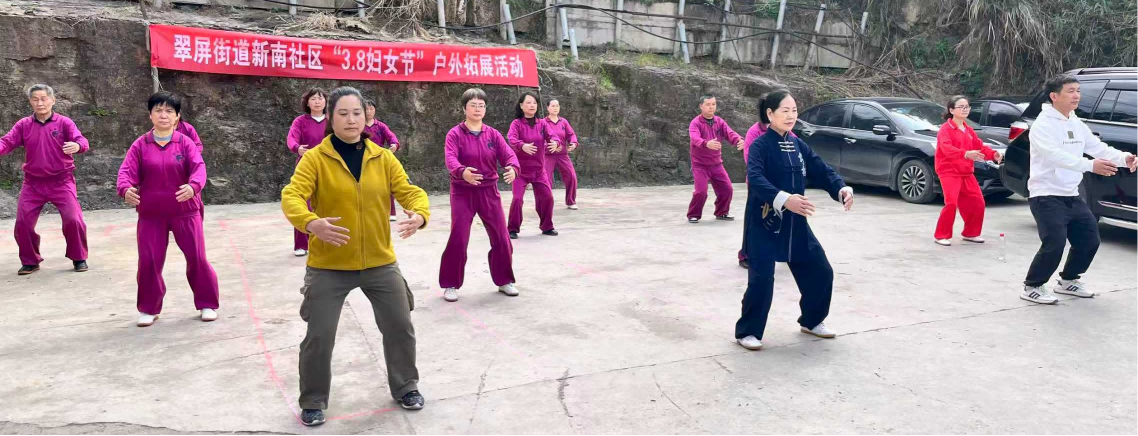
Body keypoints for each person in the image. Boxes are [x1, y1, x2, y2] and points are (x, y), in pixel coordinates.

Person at [281, 86, 431, 426]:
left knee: (400, 325)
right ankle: (314, 400)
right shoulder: (315, 159)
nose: (351, 119)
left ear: (367, 117)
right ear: (331, 119)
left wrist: (420, 214)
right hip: (329, 265)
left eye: (357, 113)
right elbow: (292, 196)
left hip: (379, 262)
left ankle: (406, 386)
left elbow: (410, 191)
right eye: (343, 114)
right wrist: (311, 223)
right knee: (319, 335)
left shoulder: (382, 157)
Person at [735, 91, 854, 351]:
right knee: (762, 281)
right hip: (764, 221)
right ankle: (748, 332)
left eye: (794, 110)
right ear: (770, 114)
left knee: (821, 272)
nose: (791, 116)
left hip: (795, 224)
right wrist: (784, 199)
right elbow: (756, 179)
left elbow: (821, 169)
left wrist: (841, 189)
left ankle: (811, 321)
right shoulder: (759, 146)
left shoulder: (798, 145)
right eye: (785, 110)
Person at [1019, 75, 1138, 305]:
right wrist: (1090, 165)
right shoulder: (1042, 125)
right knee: (1054, 242)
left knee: (1089, 240)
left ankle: (1068, 280)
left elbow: (1097, 147)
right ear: (1055, 96)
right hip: (1046, 195)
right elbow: (1055, 156)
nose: (1076, 95)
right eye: (1071, 91)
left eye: (1078, 91)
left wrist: (1124, 158)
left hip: (1071, 194)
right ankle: (1032, 286)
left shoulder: (1075, 121)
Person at [116, 91, 220, 328]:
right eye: (158, 110)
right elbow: (126, 172)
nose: (163, 115)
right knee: (149, 260)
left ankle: (207, 303)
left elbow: (199, 169)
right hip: (151, 213)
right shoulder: (140, 145)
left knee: (197, 257)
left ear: (177, 117)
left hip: (185, 211)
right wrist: (125, 189)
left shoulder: (186, 143)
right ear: (150, 115)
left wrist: (194, 187)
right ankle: (149, 308)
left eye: (169, 111)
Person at [439, 88, 522, 303]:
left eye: (481, 105)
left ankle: (504, 280)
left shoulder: (493, 134)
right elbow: (450, 159)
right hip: (462, 192)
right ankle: (450, 284)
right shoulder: (454, 134)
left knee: (502, 237)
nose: (477, 109)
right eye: (473, 105)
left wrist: (513, 168)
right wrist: (462, 172)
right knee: (459, 236)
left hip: (488, 191)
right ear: (464, 108)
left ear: (485, 109)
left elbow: (509, 155)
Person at [0, 84, 90, 275]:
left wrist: (77, 146)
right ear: (30, 102)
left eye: (44, 98)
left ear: (52, 100)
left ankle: (79, 257)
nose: (40, 103)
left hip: (62, 181)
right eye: (35, 99)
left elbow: (82, 141)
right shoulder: (23, 125)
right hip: (33, 183)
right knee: (22, 223)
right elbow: (6, 142)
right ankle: (30, 261)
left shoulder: (64, 123)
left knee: (74, 219)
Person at [934, 96, 1002, 246]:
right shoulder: (945, 130)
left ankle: (971, 233)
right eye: (961, 107)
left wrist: (993, 154)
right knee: (951, 203)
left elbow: (980, 146)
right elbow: (946, 149)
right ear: (951, 110)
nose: (965, 109)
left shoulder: (968, 129)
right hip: (949, 171)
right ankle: (941, 235)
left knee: (978, 202)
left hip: (966, 172)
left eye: (967, 106)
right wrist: (965, 153)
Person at [737, 120, 797, 269]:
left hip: (780, 184)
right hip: (759, 185)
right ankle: (747, 254)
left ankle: (783, 251)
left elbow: (797, 151)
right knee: (755, 220)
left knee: (785, 218)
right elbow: (749, 158)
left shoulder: (786, 132)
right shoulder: (754, 132)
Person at [507, 92, 558, 239]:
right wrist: (522, 146)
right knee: (517, 199)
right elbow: (511, 139)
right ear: (521, 106)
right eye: (528, 103)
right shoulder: (516, 124)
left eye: (534, 103)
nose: (532, 105)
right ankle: (512, 229)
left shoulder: (542, 124)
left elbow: (552, 136)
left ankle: (547, 226)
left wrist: (555, 142)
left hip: (539, 170)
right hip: (520, 171)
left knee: (547, 197)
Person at [687, 95, 744, 223]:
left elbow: (730, 133)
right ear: (701, 106)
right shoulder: (695, 123)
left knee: (727, 189)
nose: (711, 107)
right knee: (701, 192)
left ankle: (722, 212)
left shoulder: (719, 121)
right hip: (700, 165)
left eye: (713, 104)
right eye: (707, 104)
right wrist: (706, 143)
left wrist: (739, 140)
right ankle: (693, 214)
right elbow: (694, 138)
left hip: (717, 164)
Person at [286, 88, 328, 257]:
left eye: (320, 98)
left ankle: (326, 242)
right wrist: (297, 148)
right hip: (306, 167)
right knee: (303, 204)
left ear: (326, 102)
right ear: (307, 102)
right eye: (313, 99)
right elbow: (291, 139)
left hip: (329, 166)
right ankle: (301, 244)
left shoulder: (333, 120)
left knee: (329, 203)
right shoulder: (300, 121)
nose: (317, 101)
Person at [364, 99, 403, 222]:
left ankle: (391, 212)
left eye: (371, 108)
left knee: (387, 185)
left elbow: (392, 138)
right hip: (362, 159)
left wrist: (394, 145)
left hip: (379, 159)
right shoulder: (358, 125)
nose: (369, 111)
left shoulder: (380, 126)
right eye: (366, 109)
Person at [543, 99, 580, 210]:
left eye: (557, 106)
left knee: (571, 176)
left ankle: (571, 201)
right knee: (546, 179)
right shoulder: (543, 122)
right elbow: (538, 138)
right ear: (547, 108)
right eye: (553, 106)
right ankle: (546, 203)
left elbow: (571, 134)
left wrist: (573, 143)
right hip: (548, 156)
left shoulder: (563, 122)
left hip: (563, 155)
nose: (555, 108)